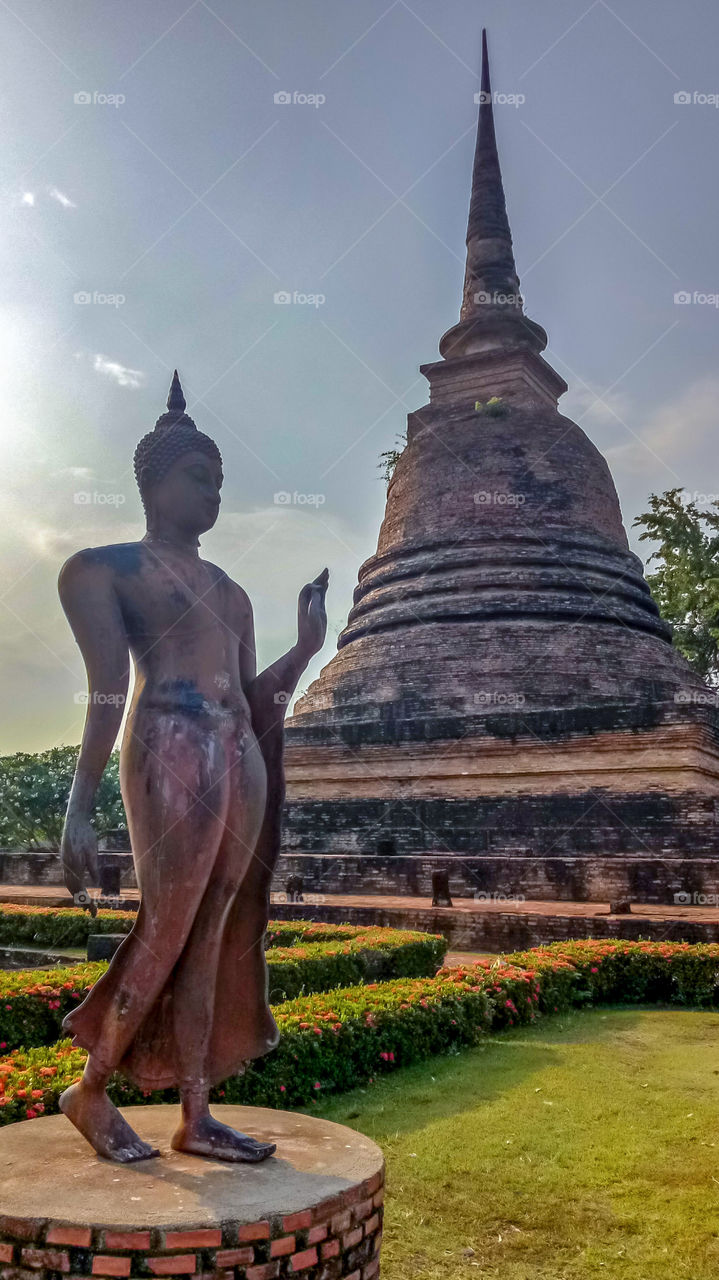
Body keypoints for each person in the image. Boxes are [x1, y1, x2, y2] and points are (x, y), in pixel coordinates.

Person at [57, 372, 328, 1163]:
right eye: (196, 477)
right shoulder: (103, 568)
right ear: (153, 481)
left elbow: (253, 696)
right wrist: (81, 798)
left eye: (218, 481)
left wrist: (306, 648)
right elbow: (108, 687)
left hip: (236, 748)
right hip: (169, 740)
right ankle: (92, 1086)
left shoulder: (231, 591)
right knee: (168, 920)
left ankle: (196, 1114)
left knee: (213, 928)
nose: (211, 494)